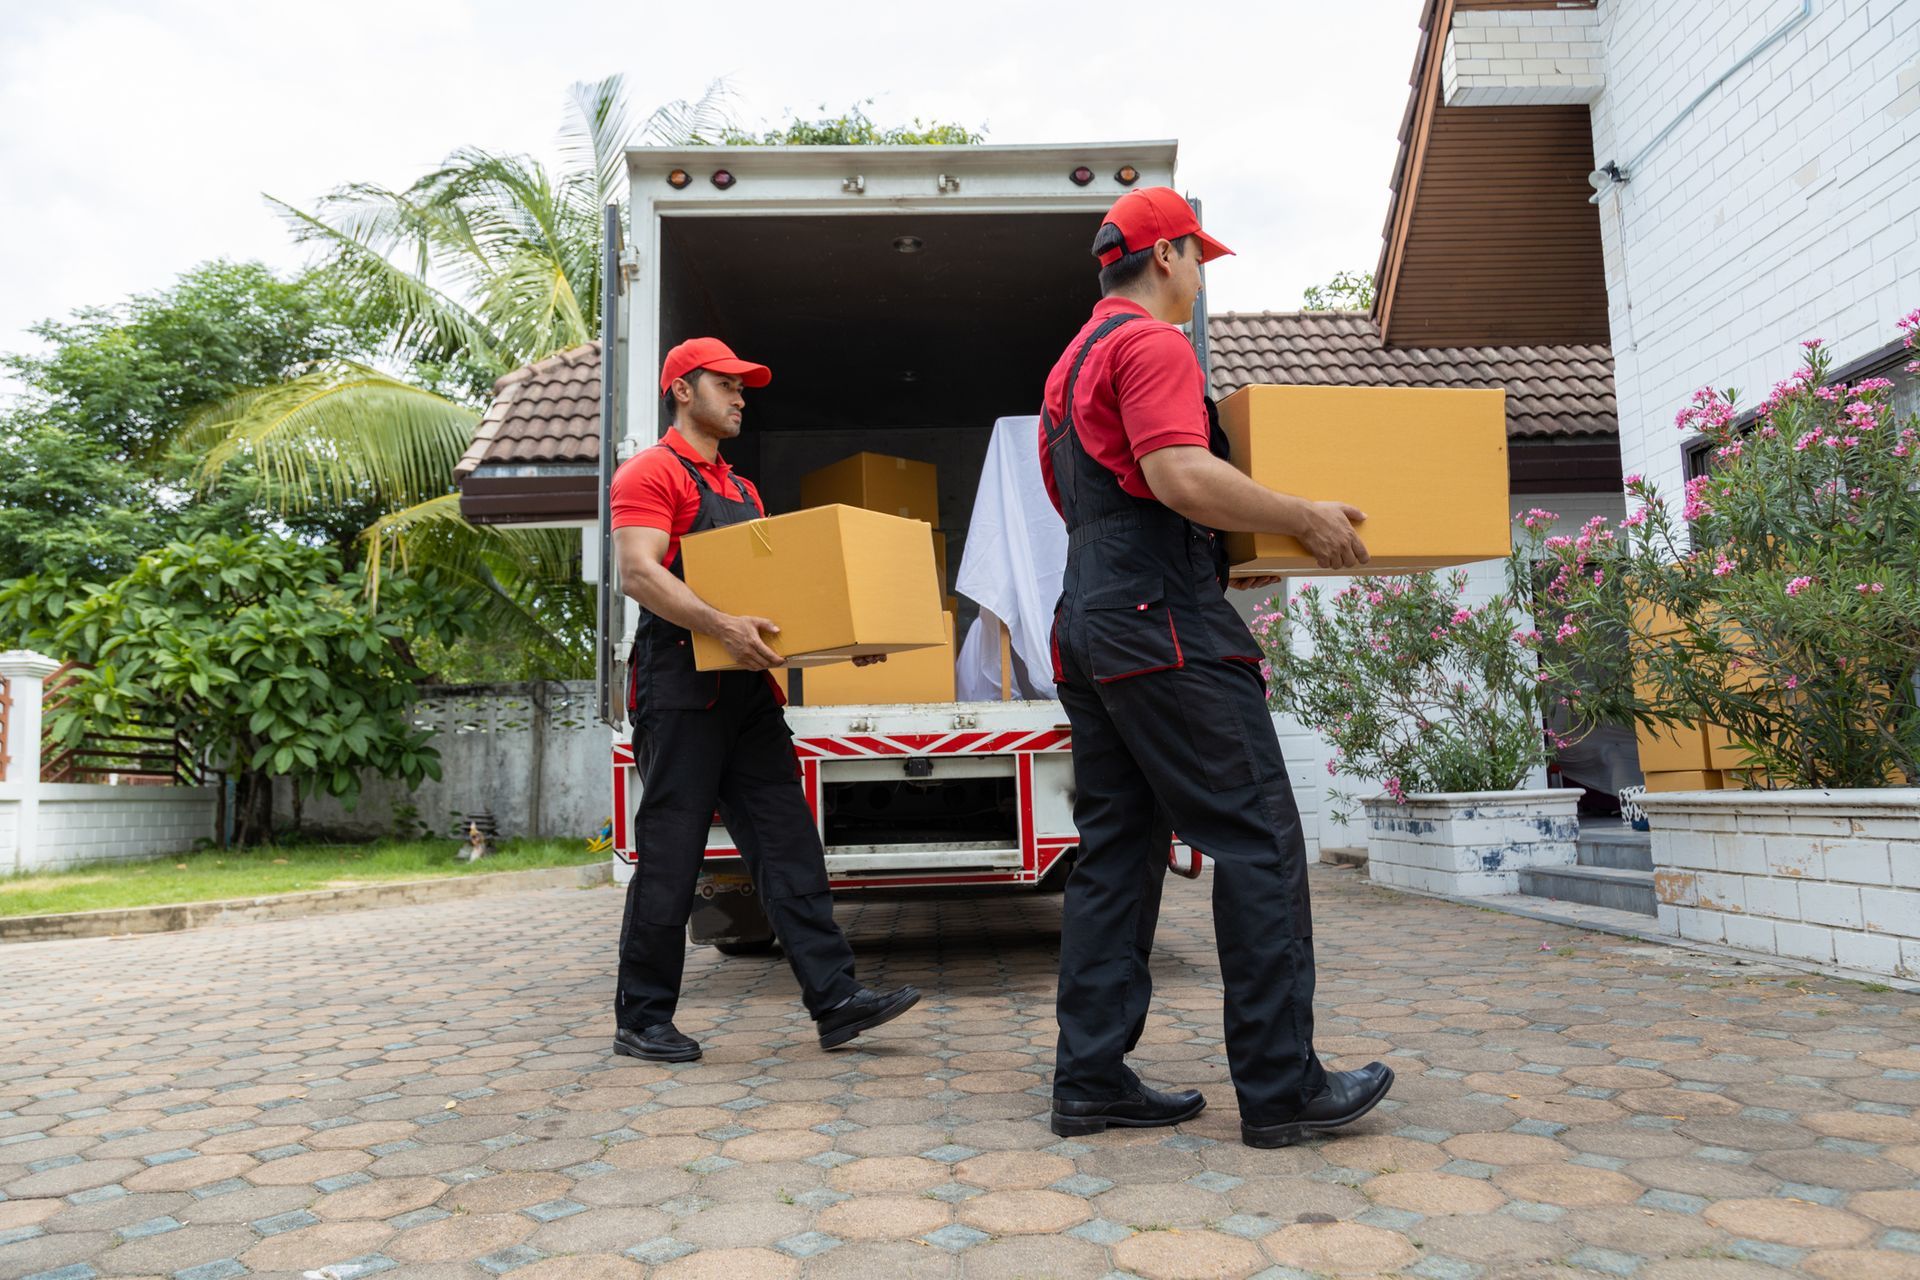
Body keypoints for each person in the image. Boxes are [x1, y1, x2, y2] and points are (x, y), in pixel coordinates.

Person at [1039, 188, 1394, 1148]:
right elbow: (1174, 474)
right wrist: (1299, 514)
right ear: (1168, 256)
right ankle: (1283, 1089)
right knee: (1259, 838)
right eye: (1200, 262)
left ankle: (1090, 1080)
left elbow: (1103, 500)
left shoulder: (1068, 368)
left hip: (1093, 617)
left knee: (1116, 851)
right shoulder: (1153, 345)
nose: (1201, 281)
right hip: (1164, 620)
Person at [608, 336, 919, 1061]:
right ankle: (643, 1018)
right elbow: (639, 573)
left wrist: (846, 637)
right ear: (683, 390)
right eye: (727, 384)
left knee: (787, 844)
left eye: (745, 387)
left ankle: (835, 1000)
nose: (742, 396)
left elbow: (777, 604)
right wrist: (718, 624)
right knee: (672, 855)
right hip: (679, 685)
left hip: (746, 690)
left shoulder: (743, 492)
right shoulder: (651, 473)